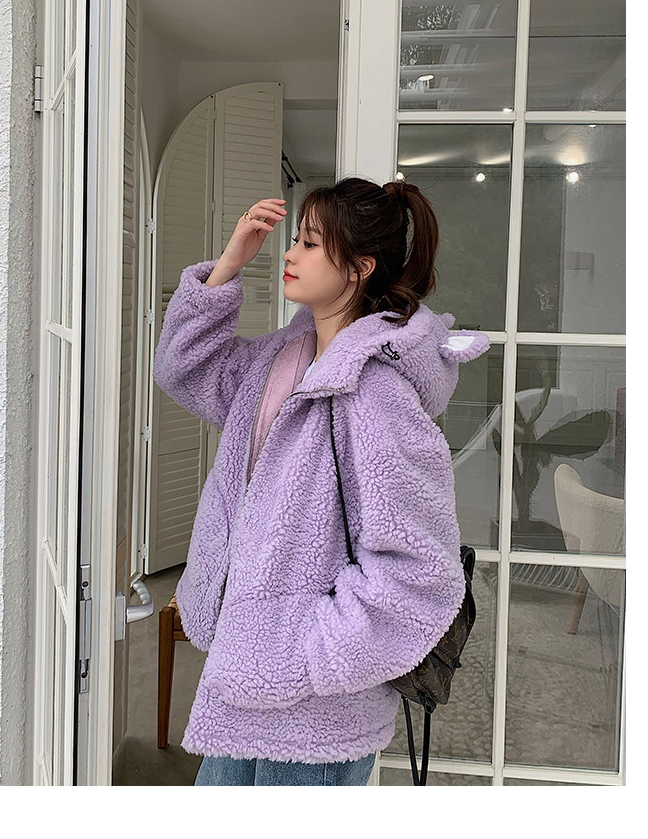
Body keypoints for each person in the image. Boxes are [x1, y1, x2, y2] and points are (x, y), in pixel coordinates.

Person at [152, 176, 490, 786]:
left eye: (309, 243)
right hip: (243, 683)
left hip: (316, 711)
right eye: (296, 239)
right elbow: (184, 369)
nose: (290, 253)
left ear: (359, 268)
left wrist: (306, 655)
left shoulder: (376, 393)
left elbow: (419, 573)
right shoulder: (283, 360)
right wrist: (229, 265)